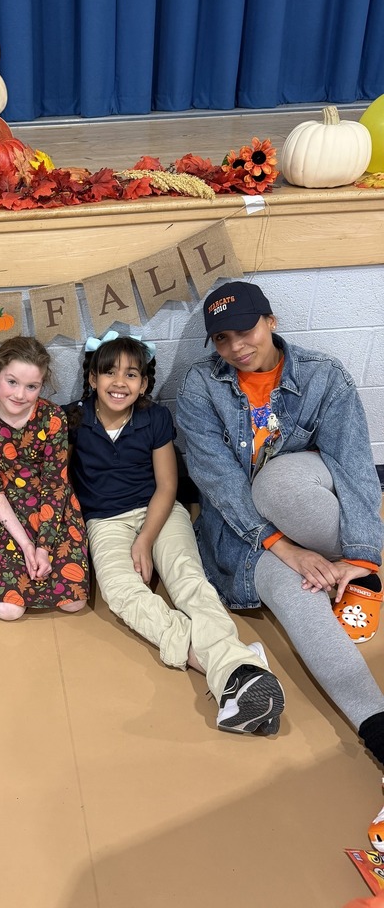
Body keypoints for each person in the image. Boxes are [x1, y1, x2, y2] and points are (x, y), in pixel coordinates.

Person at [175, 280, 384, 844]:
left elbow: (356, 470)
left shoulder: (324, 375)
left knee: (280, 480)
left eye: (245, 330)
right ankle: (378, 726)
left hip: (306, 499)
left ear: (270, 320)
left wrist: (363, 555)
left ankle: (352, 570)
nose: (237, 347)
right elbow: (216, 480)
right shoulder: (201, 386)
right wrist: (284, 550)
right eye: (222, 339)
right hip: (247, 535)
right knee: (300, 600)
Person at [68, 332, 285, 734]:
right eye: (109, 373)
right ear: (92, 379)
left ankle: (233, 670)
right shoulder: (74, 420)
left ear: (144, 384)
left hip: (161, 512)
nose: (120, 382)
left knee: (189, 580)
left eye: (132, 374)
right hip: (106, 522)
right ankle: (233, 665)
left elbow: (167, 486)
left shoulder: (154, 418)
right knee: (121, 592)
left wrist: (146, 539)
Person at [0, 336, 90, 620]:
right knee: (8, 610)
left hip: (54, 508)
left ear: (41, 385)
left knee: (74, 602)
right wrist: (26, 545)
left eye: (31, 386)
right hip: (7, 508)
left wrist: (44, 549)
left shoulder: (52, 417)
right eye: (12, 382)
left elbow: (55, 485)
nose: (20, 395)